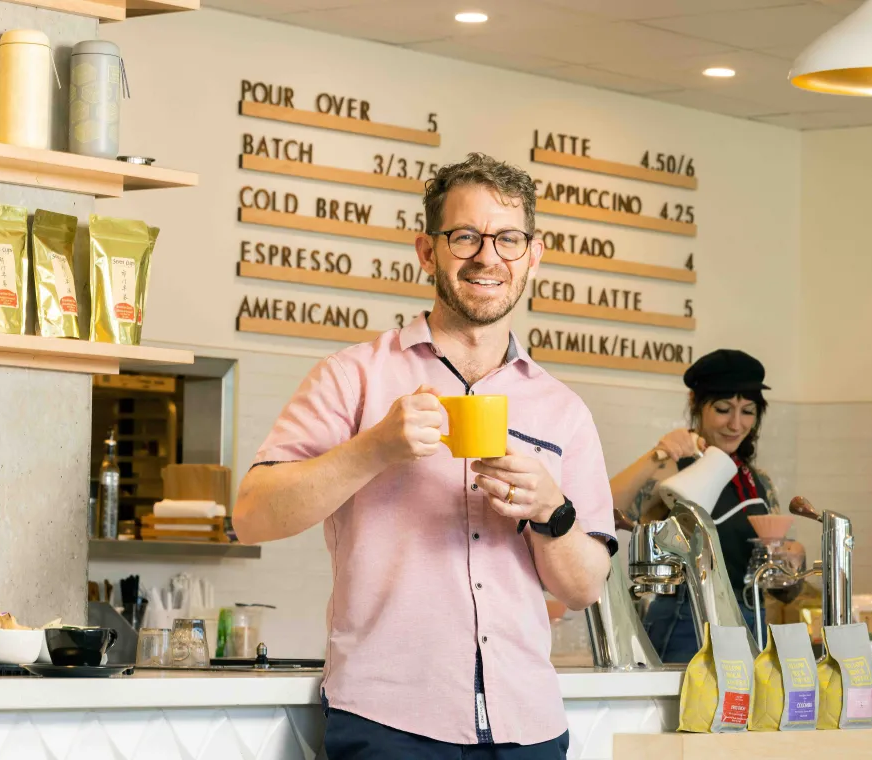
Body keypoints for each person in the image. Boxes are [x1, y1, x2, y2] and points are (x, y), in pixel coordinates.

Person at [233, 153, 616, 760]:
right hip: (389, 721)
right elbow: (252, 514)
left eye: (509, 239)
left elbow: (586, 587)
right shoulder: (354, 376)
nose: (488, 256)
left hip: (529, 726)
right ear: (427, 251)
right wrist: (374, 448)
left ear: (533, 256)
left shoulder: (563, 409)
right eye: (464, 237)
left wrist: (553, 510)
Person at [609, 349, 780, 663]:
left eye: (748, 411)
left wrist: (789, 559)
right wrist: (658, 453)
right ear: (695, 405)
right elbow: (602, 512)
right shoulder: (673, 469)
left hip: (748, 625)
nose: (736, 424)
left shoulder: (758, 483)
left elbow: (780, 587)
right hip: (684, 626)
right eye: (723, 409)